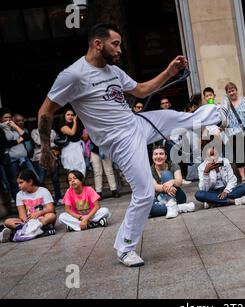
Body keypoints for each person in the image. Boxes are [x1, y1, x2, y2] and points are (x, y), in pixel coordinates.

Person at [38, 23, 227, 267]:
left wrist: (169, 71)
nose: (119, 49)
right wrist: (45, 148)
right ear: (98, 44)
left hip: (135, 122)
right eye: (115, 44)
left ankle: (218, 114)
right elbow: (45, 111)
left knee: (173, 117)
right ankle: (125, 248)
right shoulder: (73, 75)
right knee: (145, 193)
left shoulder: (114, 72)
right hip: (119, 140)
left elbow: (141, 90)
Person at [0, 169, 57, 243]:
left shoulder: (43, 191)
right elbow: (22, 215)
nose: (19, 186)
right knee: (7, 221)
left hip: (42, 219)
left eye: (21, 183)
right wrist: (26, 221)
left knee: (51, 216)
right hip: (28, 222)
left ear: (30, 181)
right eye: (18, 183)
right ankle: (36, 231)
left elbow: (51, 209)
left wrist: (38, 213)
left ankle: (24, 232)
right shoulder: (19, 195)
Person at [223, 82, 245, 185]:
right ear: (227, 93)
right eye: (229, 91)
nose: (232, 93)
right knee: (239, 157)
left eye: (233, 90)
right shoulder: (226, 105)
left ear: (236, 90)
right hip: (233, 133)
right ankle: (243, 178)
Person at [149, 145, 195, 219]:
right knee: (150, 209)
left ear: (166, 156)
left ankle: (172, 203)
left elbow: (179, 181)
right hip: (160, 199)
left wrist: (172, 181)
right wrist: (166, 186)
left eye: (161, 154)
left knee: (166, 174)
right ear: (152, 157)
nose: (158, 156)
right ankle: (180, 207)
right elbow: (156, 187)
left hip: (177, 196)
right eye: (155, 154)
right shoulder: (149, 170)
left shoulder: (173, 165)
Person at [0, 108, 36, 200]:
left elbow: (26, 137)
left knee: (34, 177)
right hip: (12, 160)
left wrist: (15, 126)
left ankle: (34, 198)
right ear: (1, 119)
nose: (8, 119)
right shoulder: (1, 129)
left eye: (10, 117)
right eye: (5, 117)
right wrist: (18, 140)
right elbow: (4, 144)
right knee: (15, 182)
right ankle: (18, 203)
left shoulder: (14, 127)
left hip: (23, 158)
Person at [31, 127, 63, 206]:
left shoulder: (52, 130)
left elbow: (54, 141)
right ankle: (45, 199)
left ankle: (58, 198)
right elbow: (38, 142)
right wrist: (49, 143)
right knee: (40, 180)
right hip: (39, 157)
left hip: (52, 156)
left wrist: (47, 143)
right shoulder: (34, 131)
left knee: (55, 179)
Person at [84, 130, 120, 199]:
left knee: (109, 170)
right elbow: (85, 138)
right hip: (94, 150)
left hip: (105, 148)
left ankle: (114, 190)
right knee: (97, 172)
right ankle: (98, 192)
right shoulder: (89, 124)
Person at [59, 108, 86, 176]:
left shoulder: (76, 124)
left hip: (77, 148)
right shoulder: (62, 126)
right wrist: (74, 121)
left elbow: (80, 136)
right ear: (64, 116)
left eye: (72, 115)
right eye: (68, 114)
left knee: (81, 168)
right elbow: (72, 133)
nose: (70, 116)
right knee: (72, 171)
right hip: (69, 150)